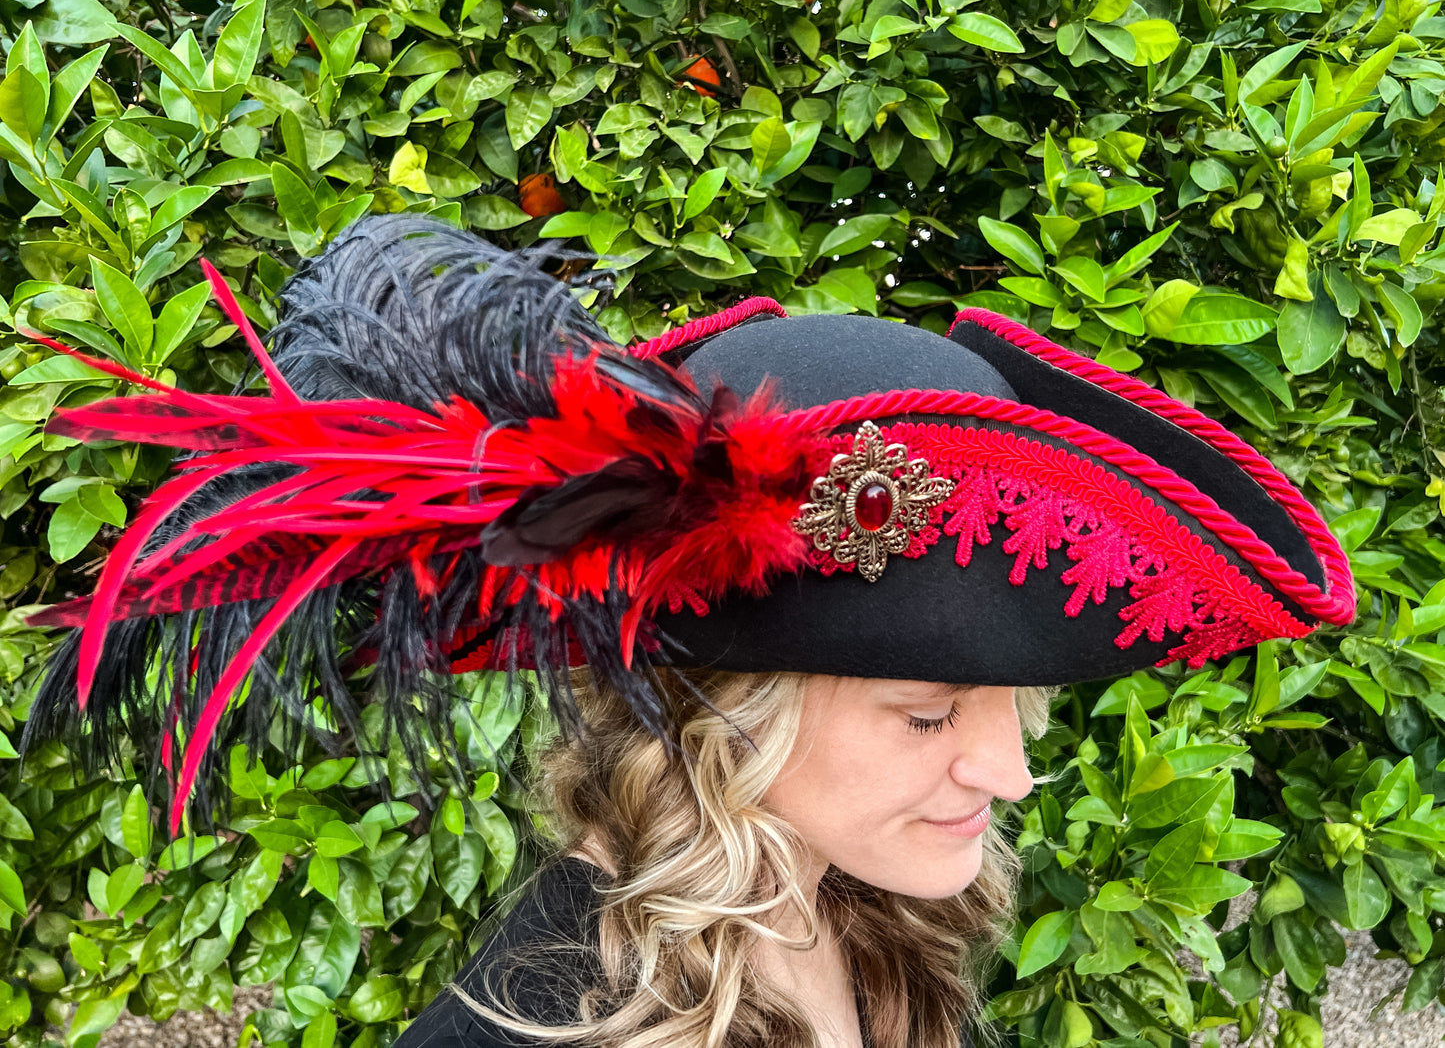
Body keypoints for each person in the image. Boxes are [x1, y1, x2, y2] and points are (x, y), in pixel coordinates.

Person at [24, 217, 1355, 1048]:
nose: (1006, 775)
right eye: (927, 715)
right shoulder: (544, 1026)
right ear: (730, 713)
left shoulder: (872, 925)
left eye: (1012, 709)